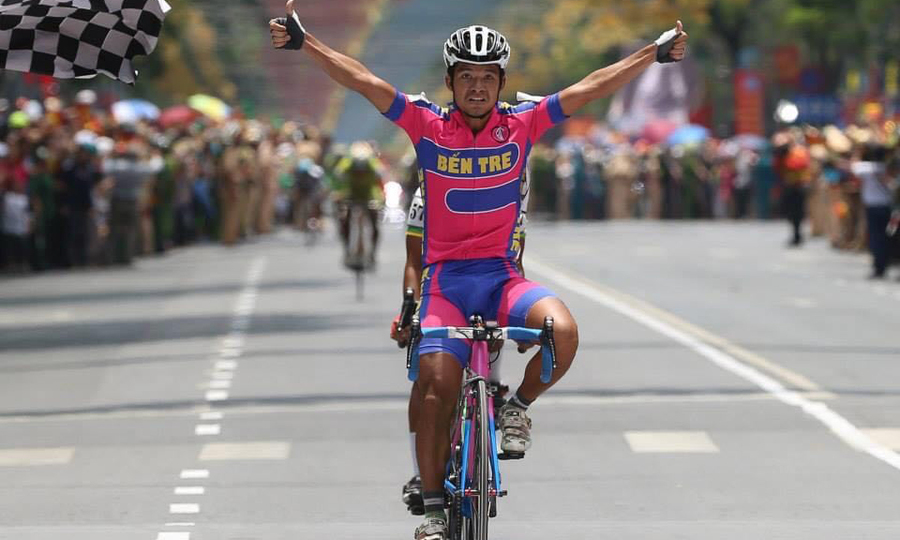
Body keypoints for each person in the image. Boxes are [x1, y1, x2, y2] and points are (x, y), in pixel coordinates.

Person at [270, 10, 686, 539]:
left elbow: (590, 87)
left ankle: (516, 408)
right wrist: (306, 42)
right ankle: (434, 509)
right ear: (449, 81)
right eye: (466, 75)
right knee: (435, 387)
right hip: (445, 282)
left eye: (488, 76)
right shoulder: (425, 123)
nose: (477, 86)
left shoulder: (523, 123)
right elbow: (363, 80)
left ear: (502, 82)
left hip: (502, 278)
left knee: (563, 331)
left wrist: (652, 53)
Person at [392, 162, 532, 515]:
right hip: (438, 288)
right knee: (425, 382)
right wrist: (410, 309)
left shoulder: (513, 195)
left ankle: (493, 393)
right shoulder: (426, 195)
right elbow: (414, 261)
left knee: (494, 332)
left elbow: (515, 262)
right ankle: (421, 473)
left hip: (488, 283)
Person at [330, 141, 385, 268]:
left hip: (370, 195)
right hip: (352, 194)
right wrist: (339, 192)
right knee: (344, 219)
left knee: (374, 221)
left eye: (363, 171)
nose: (360, 173)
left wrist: (380, 198)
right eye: (357, 171)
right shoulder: (348, 162)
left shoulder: (372, 162)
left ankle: (373, 252)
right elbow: (338, 174)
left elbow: (381, 173)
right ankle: (347, 249)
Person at [852, 143, 894, 279]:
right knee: (887, 236)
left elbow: (853, 166)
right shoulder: (888, 169)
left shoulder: (866, 168)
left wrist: (858, 152)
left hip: (873, 208)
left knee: (876, 237)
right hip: (887, 207)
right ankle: (884, 264)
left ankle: (878, 267)